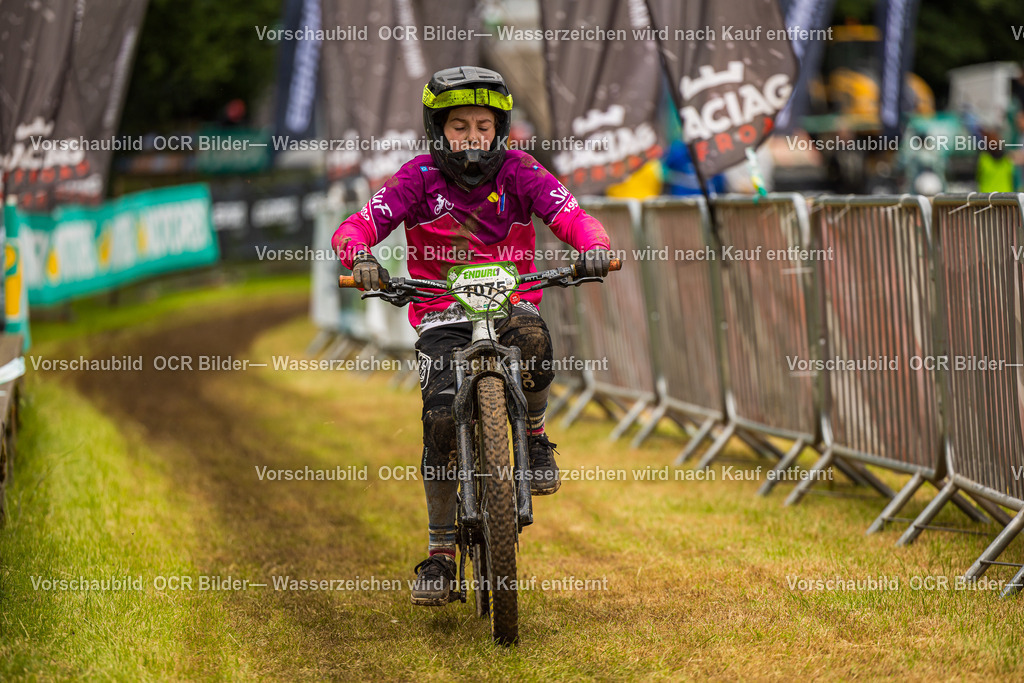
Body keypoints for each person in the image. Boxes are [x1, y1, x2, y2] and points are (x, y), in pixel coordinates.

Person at [331, 66, 611, 606]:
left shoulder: (521, 171)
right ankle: (439, 556)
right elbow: (356, 226)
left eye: (483, 125)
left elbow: (573, 216)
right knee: (438, 421)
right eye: (459, 126)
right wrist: (359, 257)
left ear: (500, 127)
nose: (473, 137)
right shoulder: (415, 178)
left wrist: (592, 246)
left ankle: (532, 437)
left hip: (511, 305)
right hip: (441, 316)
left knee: (534, 340)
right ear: (438, 130)